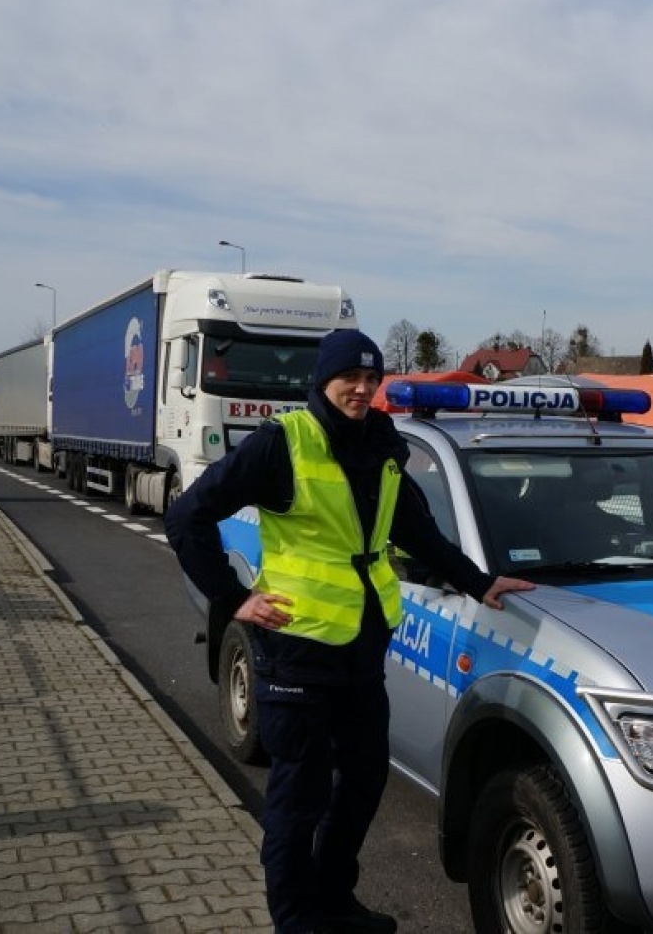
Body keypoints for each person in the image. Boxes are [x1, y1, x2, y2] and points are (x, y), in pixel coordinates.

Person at [166, 330, 533, 934]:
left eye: (371, 379)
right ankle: (295, 919)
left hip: (361, 651)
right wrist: (235, 600)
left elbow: (417, 531)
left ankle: (334, 900)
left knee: (363, 783)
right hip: (296, 649)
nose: (362, 389)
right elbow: (187, 516)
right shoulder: (283, 442)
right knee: (299, 796)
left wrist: (480, 583)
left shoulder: (382, 444)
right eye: (350, 379)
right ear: (324, 379)